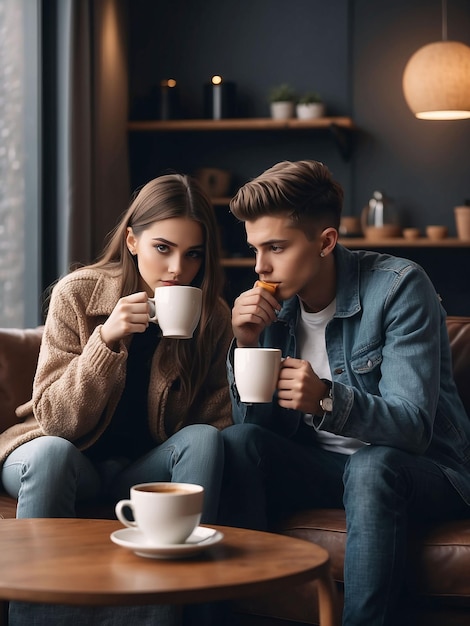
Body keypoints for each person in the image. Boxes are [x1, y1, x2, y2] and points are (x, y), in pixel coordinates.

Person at [221, 160, 470, 626]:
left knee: (371, 464)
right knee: (235, 443)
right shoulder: (274, 308)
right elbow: (256, 431)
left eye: (276, 247)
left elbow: (414, 428)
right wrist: (248, 344)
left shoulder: (398, 286)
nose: (260, 266)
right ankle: (247, 609)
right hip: (328, 469)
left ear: (326, 241)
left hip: (423, 470)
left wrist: (327, 400)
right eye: (255, 248)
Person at [0, 173, 233, 625]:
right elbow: (56, 422)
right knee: (51, 454)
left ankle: (159, 615)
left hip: (138, 471)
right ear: (131, 240)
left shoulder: (211, 315)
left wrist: (231, 347)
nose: (176, 270)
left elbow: (216, 422)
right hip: (59, 456)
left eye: (193, 255)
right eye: (162, 248)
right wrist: (106, 341)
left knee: (205, 440)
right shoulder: (78, 294)